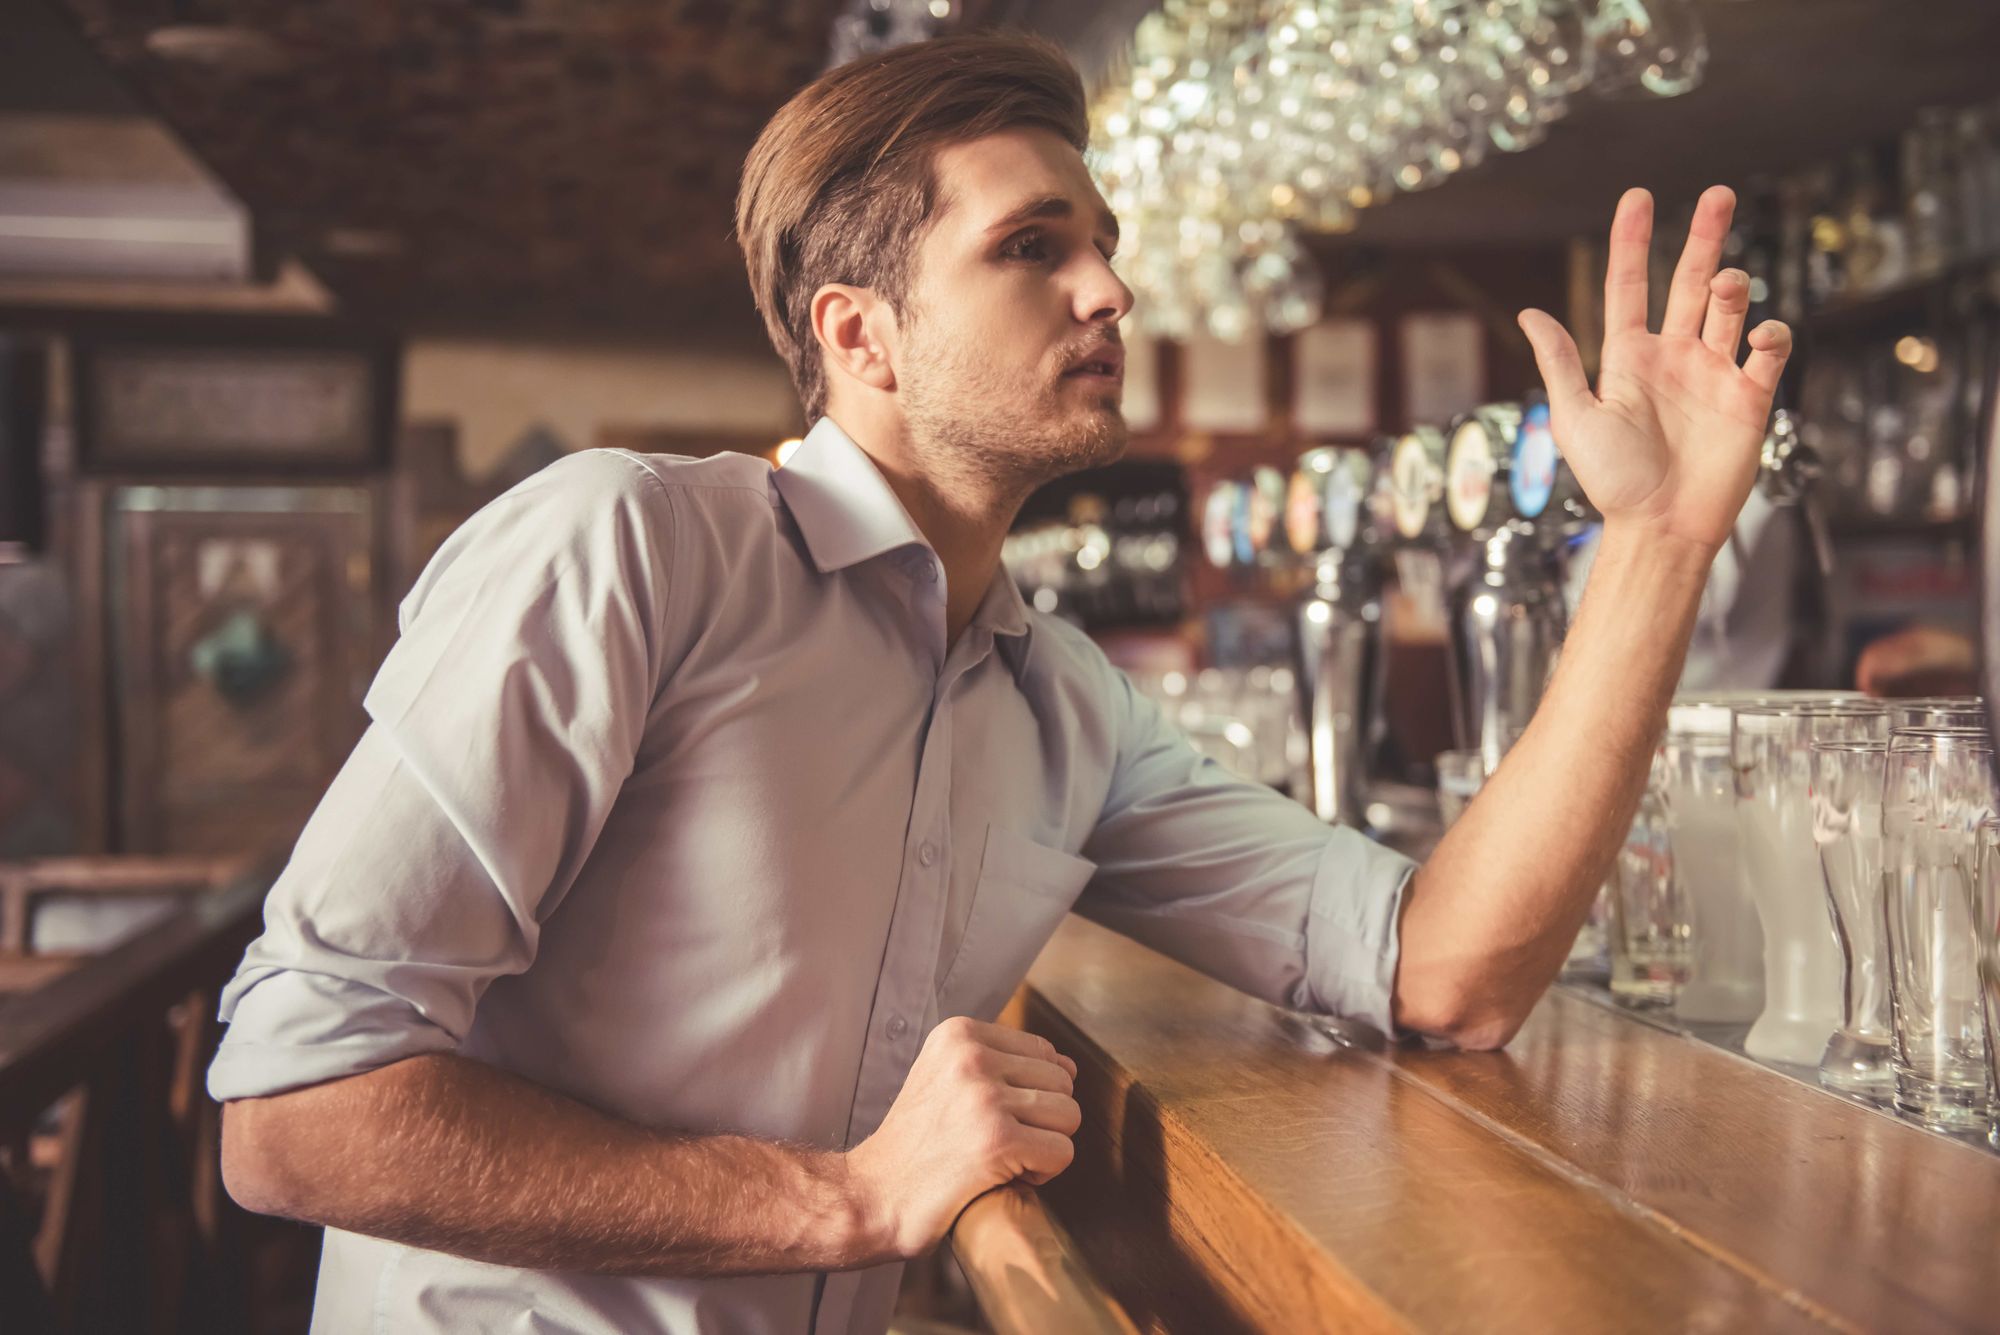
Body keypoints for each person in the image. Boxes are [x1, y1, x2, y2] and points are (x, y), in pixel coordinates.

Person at [210, 32, 1793, 1335]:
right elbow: (296, 1114)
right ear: (861, 333)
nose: (1109, 291)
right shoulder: (625, 545)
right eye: (1033, 248)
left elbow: (1447, 970)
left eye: (1101, 246)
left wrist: (1657, 539)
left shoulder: (1063, 704)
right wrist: (850, 1199)